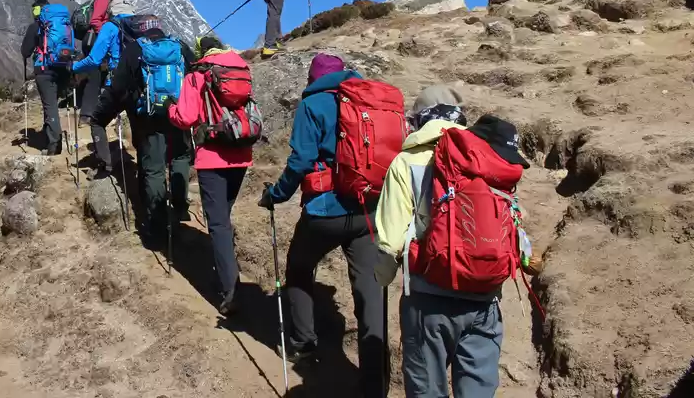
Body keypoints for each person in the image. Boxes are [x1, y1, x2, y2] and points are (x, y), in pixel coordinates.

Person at [373, 88, 542, 398]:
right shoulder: (487, 154)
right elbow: (511, 218)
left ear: (418, 121)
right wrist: (527, 259)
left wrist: (381, 279)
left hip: (428, 298)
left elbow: (390, 241)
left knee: (428, 390)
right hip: (484, 296)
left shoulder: (407, 161)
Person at [256, 53, 389, 398]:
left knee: (299, 267)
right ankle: (375, 380)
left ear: (314, 77)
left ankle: (303, 340)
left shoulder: (313, 103)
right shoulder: (368, 100)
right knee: (370, 292)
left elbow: (300, 160)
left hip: (325, 210)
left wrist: (276, 194)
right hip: (368, 209)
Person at [169, 36, 256, 316]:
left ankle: (231, 289)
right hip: (241, 154)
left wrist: (170, 108)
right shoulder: (241, 69)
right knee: (224, 216)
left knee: (217, 223)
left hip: (212, 158)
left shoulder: (198, 75)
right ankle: (226, 268)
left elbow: (184, 117)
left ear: (201, 51)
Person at [92, 13, 195, 248]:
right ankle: (180, 208)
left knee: (154, 170)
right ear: (160, 28)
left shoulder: (134, 50)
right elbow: (195, 77)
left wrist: (112, 110)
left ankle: (157, 226)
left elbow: (118, 87)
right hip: (179, 116)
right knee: (180, 158)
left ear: (140, 30)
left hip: (149, 121)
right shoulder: (179, 46)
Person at [72, 0, 135, 178]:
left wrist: (73, 67)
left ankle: (105, 166)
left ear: (112, 10)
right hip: (139, 86)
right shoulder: (141, 26)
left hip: (116, 84)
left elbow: (94, 59)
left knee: (97, 121)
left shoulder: (110, 26)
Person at [20, 0, 73, 156]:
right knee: (53, 105)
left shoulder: (36, 27)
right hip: (64, 68)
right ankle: (48, 132)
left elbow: (25, 51)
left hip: (45, 69)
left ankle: (54, 146)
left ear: (37, 11)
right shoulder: (63, 24)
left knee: (50, 106)